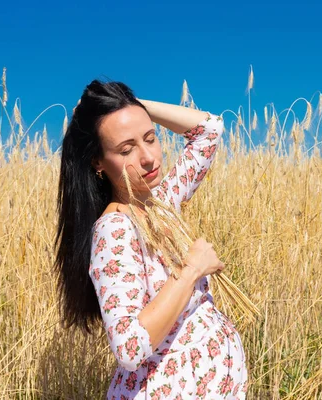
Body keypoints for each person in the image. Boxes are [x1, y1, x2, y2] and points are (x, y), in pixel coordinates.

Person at [54, 80, 249, 399]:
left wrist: (130, 105)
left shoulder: (162, 200)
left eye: (150, 138)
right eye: (126, 149)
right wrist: (191, 269)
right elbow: (130, 348)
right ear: (97, 162)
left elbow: (209, 129)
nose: (148, 157)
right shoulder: (114, 230)